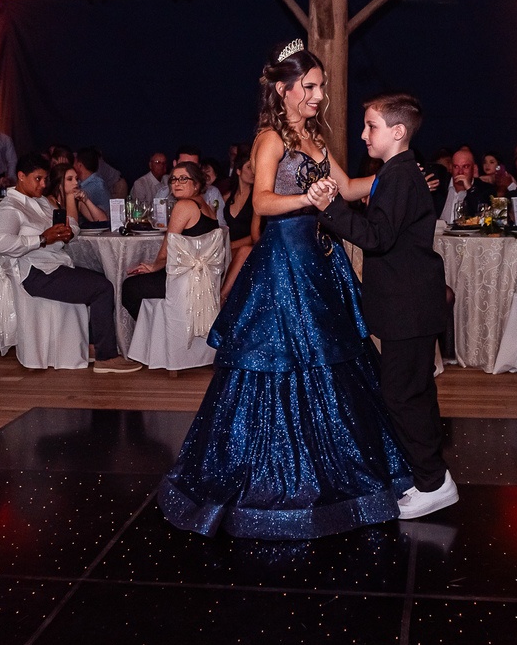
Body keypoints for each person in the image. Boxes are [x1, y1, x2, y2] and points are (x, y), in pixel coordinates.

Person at [159, 40, 412, 539]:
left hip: (320, 263)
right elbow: (263, 203)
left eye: (321, 87)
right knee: (280, 361)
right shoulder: (270, 139)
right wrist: (307, 200)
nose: (319, 95)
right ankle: (276, 475)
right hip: (283, 266)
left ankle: (337, 465)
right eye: (310, 87)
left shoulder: (314, 136)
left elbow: (348, 188)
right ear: (284, 89)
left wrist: (397, 175)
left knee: (334, 360)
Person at [311, 92, 457, 519]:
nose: (363, 134)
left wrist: (330, 208)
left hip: (409, 306)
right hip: (411, 304)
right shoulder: (398, 173)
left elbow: (377, 237)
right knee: (414, 393)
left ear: (398, 132)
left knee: (402, 395)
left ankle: (434, 483)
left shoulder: (398, 176)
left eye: (371, 126)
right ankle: (430, 477)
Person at [0, 153, 138, 374]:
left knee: (101, 279)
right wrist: (42, 238)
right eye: (38, 179)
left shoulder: (41, 202)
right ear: (21, 176)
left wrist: (65, 233)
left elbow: (69, 228)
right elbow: (0, 243)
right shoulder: (10, 208)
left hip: (53, 265)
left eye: (44, 179)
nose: (43, 185)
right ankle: (106, 357)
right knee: (102, 288)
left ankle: (93, 347)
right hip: (34, 273)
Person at [120, 162, 221, 318]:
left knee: (130, 287)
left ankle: (158, 327)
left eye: (183, 179)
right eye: (173, 179)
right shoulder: (208, 208)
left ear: (196, 184)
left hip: (184, 280)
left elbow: (167, 248)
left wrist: (154, 266)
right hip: (203, 279)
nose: (177, 183)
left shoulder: (184, 206)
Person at [220, 143, 260, 301]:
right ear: (238, 170)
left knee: (244, 251)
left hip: (246, 247)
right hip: (226, 248)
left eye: (255, 168)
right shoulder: (226, 198)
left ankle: (222, 297)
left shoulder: (257, 199)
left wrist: (229, 246)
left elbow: (256, 235)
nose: (253, 172)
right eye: (249, 168)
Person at [155, 145, 227, 227]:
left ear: (199, 167)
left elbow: (221, 226)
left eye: (192, 166)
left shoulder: (211, 193)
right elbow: (158, 225)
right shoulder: (163, 194)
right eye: (183, 165)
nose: (187, 171)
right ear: (175, 164)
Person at [439, 148, 494, 222]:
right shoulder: (440, 186)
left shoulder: (485, 189)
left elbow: (484, 216)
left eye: (465, 167)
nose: (460, 172)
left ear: (474, 169)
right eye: (456, 167)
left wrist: (469, 189)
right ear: (451, 168)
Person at [72, 147, 111, 220]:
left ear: (80, 165)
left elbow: (102, 219)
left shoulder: (96, 186)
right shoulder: (82, 183)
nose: (72, 166)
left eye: (74, 163)